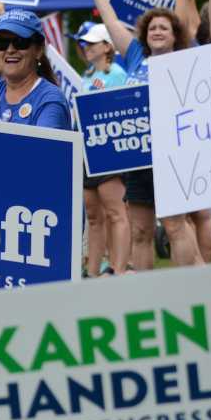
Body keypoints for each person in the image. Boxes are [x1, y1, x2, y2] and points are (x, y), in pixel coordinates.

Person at [85, 0, 208, 269]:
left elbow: (185, 19)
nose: (157, 32)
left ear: (174, 34)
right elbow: (112, 23)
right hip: (137, 157)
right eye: (152, 27)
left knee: (175, 226)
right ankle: (149, 295)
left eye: (164, 28)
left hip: (173, 154)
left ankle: (190, 292)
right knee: (140, 230)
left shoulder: (184, 55)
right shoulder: (137, 55)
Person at [75, 21, 131, 276]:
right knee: (94, 216)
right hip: (86, 151)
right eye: (85, 43)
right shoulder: (88, 76)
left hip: (108, 152)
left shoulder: (118, 74)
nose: (85, 46)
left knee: (115, 212)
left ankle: (118, 270)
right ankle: (93, 271)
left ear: (107, 46)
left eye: (92, 42)